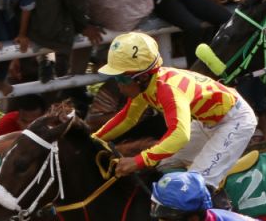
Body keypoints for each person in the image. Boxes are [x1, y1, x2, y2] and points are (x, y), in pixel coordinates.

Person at [97, 32, 257, 195]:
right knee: (166, 165)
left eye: (122, 79)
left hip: (235, 121)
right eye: (116, 78)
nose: (119, 86)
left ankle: (220, 213)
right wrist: (94, 138)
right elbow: (128, 117)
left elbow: (180, 135)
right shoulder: (146, 86)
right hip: (207, 122)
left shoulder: (168, 90)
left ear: (142, 77)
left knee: (194, 185)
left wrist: (139, 161)